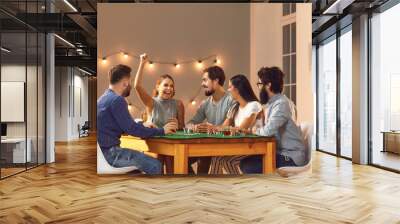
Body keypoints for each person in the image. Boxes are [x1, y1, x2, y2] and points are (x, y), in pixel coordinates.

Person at [97, 64, 177, 175]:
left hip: (102, 154)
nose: (130, 85)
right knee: (156, 165)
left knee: (142, 165)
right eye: (129, 82)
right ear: (125, 82)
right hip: (112, 154)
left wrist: (141, 124)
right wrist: (162, 130)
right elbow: (132, 129)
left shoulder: (103, 99)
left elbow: (122, 125)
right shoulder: (117, 100)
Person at [240, 66, 306, 173]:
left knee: (249, 165)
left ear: (268, 85)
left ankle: (266, 188)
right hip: (281, 152)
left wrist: (252, 131)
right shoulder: (273, 104)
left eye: (260, 84)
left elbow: (267, 131)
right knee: (245, 162)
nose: (258, 88)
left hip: (291, 157)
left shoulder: (281, 104)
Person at [134, 54, 184, 173]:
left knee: (172, 169)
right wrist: (142, 63)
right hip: (155, 144)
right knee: (158, 169)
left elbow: (182, 127)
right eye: (165, 85)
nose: (169, 88)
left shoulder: (178, 104)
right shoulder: (151, 102)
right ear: (157, 87)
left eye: (171, 86)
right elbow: (137, 86)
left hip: (171, 145)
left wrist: (178, 125)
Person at [209, 74, 262, 174]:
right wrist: (212, 127)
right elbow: (223, 127)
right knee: (217, 157)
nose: (228, 90)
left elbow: (240, 130)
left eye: (230, 87)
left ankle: (213, 186)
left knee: (220, 158)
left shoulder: (254, 105)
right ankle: (234, 185)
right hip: (242, 145)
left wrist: (226, 129)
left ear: (237, 89)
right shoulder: (234, 107)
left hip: (254, 146)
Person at [187, 66, 236, 173]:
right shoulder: (205, 104)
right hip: (207, 146)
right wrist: (194, 127)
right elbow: (189, 123)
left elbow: (228, 127)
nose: (202, 84)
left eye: (205, 80)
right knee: (181, 158)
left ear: (216, 81)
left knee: (204, 156)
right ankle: (197, 184)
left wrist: (212, 128)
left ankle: (199, 183)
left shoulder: (231, 100)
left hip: (228, 146)